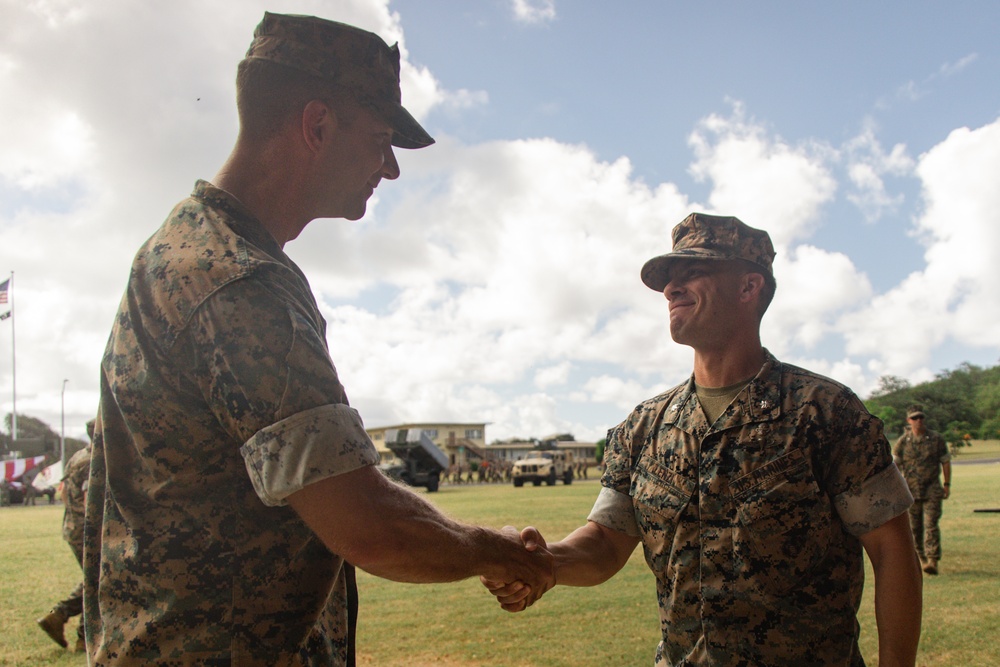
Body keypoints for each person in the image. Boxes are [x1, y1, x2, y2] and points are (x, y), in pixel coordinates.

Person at [83, 13, 553, 666]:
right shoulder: (236, 279)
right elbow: (365, 522)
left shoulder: (185, 252)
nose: (389, 168)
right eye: (382, 139)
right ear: (318, 126)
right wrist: (497, 552)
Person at [485, 213, 923, 666]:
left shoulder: (824, 413)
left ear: (749, 287)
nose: (671, 290)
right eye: (669, 279)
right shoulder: (646, 426)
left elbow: (893, 554)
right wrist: (546, 562)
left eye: (692, 273)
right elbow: (604, 543)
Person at [36, 419, 94, 652]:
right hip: (87, 530)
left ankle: (83, 639)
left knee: (94, 581)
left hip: (72, 526)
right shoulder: (93, 461)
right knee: (96, 581)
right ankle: (58, 615)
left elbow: (62, 493)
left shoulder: (78, 456)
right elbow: (90, 499)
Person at [893, 405, 951, 575]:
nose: (919, 421)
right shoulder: (903, 441)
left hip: (932, 488)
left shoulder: (936, 439)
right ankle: (920, 558)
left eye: (921, 417)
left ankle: (932, 559)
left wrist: (947, 484)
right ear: (908, 420)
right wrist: (897, 487)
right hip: (910, 490)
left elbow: (945, 461)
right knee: (914, 527)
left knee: (931, 524)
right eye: (915, 418)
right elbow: (895, 465)